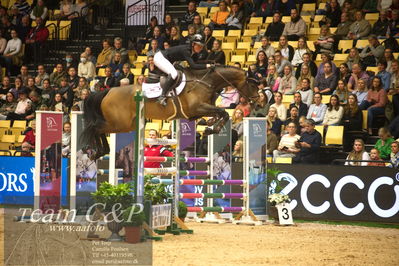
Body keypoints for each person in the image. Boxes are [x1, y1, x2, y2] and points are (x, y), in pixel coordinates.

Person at [153, 34, 213, 106]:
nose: (201, 48)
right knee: (173, 74)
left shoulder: (194, 53)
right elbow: (193, 66)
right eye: (199, 45)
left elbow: (197, 63)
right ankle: (162, 96)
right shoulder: (186, 50)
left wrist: (209, 63)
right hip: (160, 57)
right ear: (193, 44)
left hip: (168, 60)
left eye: (201, 46)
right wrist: (207, 66)